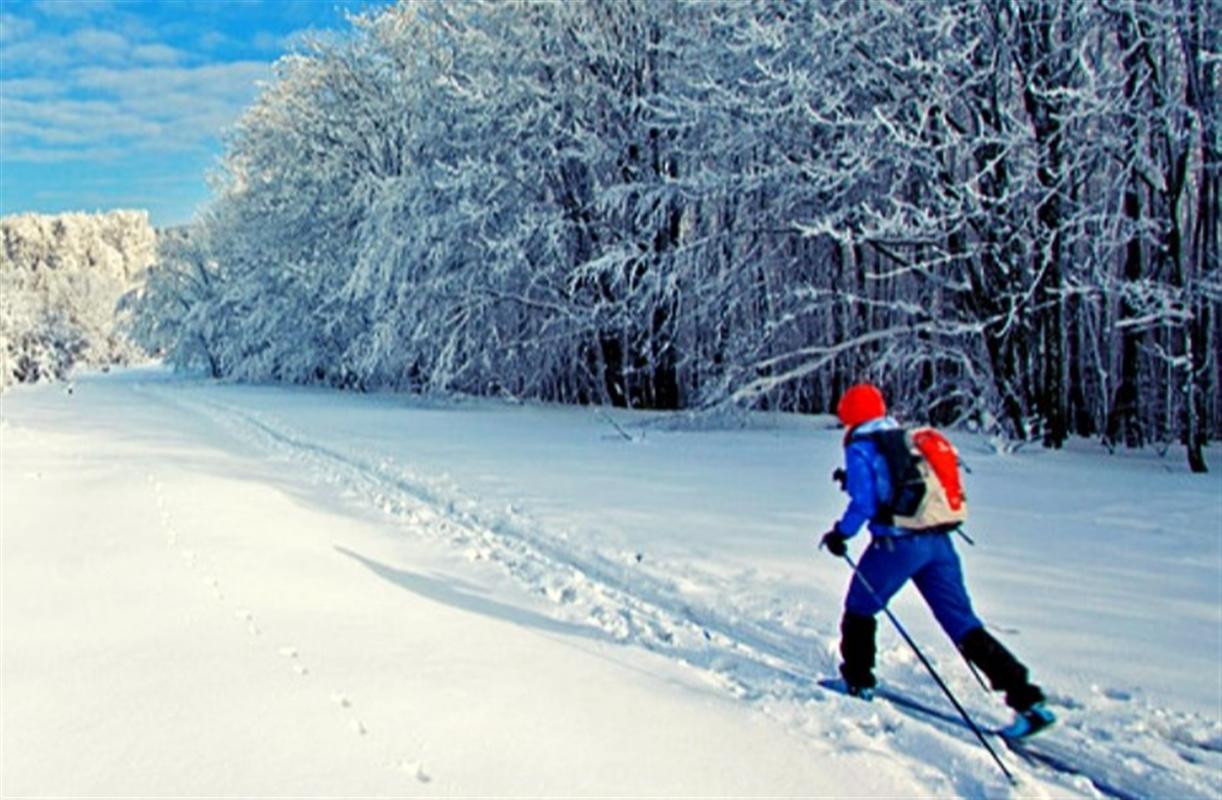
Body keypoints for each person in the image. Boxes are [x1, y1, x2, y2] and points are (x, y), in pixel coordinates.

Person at [820, 382, 1055, 738]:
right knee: (963, 622)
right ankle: (1027, 699)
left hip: (897, 546)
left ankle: (858, 683)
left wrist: (841, 534)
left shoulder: (861, 445)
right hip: (940, 544)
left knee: (859, 607)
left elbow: (866, 503)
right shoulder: (904, 439)